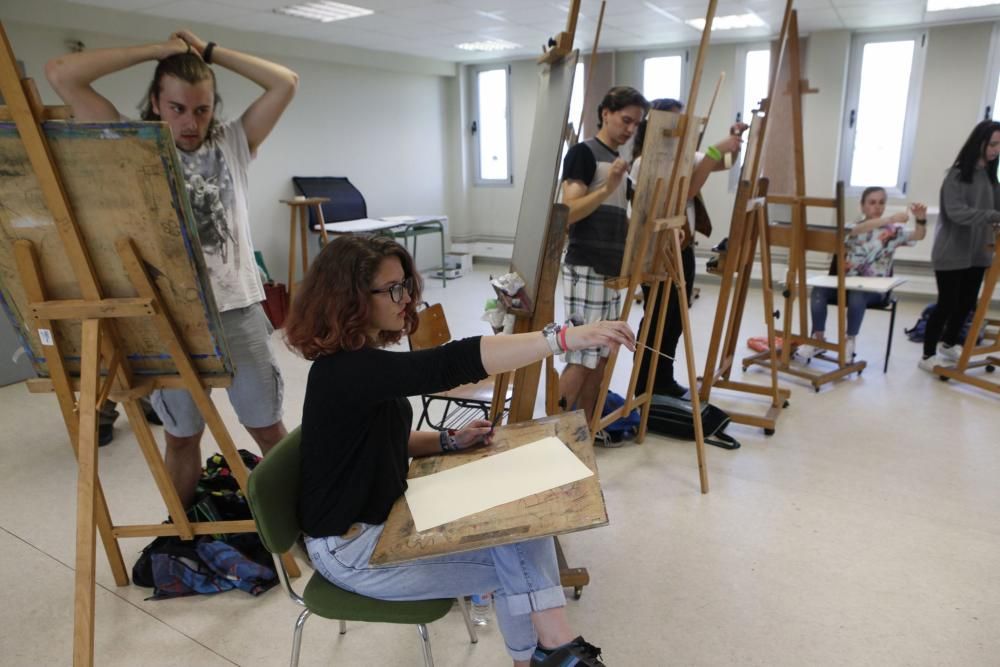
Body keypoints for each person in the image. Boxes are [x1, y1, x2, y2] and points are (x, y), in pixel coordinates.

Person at [284, 235, 635, 667]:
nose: (406, 298)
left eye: (406, 285)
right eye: (392, 289)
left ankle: (549, 652)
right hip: (352, 551)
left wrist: (448, 440)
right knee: (521, 563)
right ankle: (554, 651)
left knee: (522, 533)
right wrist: (561, 339)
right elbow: (449, 362)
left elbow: (377, 440)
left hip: (382, 518)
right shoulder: (346, 371)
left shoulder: (359, 359)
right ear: (351, 298)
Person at [46, 31, 299, 506]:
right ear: (157, 103)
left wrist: (208, 52)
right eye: (178, 108)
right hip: (167, 319)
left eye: (201, 110)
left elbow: (285, 82)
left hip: (237, 309)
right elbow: (61, 74)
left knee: (267, 428)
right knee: (181, 436)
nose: (190, 121)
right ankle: (182, 533)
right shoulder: (132, 142)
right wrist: (152, 49)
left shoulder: (233, 142)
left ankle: (305, 524)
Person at [630, 98, 747, 399]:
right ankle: (644, 384)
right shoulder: (647, 162)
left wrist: (735, 142)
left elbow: (725, 163)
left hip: (683, 248)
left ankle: (663, 380)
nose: (680, 128)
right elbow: (684, 193)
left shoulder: (685, 157)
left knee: (675, 321)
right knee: (658, 319)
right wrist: (713, 150)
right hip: (656, 251)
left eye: (683, 122)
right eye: (673, 122)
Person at [558, 86, 649, 435]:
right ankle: (555, 438)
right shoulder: (583, 153)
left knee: (602, 354)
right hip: (587, 266)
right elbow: (568, 212)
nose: (629, 129)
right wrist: (609, 185)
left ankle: (585, 433)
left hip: (612, 272)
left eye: (636, 124)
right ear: (605, 113)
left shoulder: (618, 163)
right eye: (625, 120)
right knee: (582, 355)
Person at [796, 187, 928, 361]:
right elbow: (855, 231)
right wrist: (888, 219)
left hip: (874, 291)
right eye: (872, 203)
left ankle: (849, 341)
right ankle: (818, 340)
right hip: (846, 285)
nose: (877, 207)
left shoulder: (892, 231)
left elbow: (918, 235)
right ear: (862, 206)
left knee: (857, 295)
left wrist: (920, 218)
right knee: (819, 291)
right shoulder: (852, 226)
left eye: (881, 203)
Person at [919, 119, 1000, 372]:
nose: (996, 150)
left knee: (967, 303)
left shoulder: (991, 178)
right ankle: (928, 355)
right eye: (993, 144)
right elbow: (957, 213)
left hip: (979, 251)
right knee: (947, 304)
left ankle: (949, 343)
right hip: (952, 250)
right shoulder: (955, 176)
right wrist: (992, 216)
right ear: (979, 143)